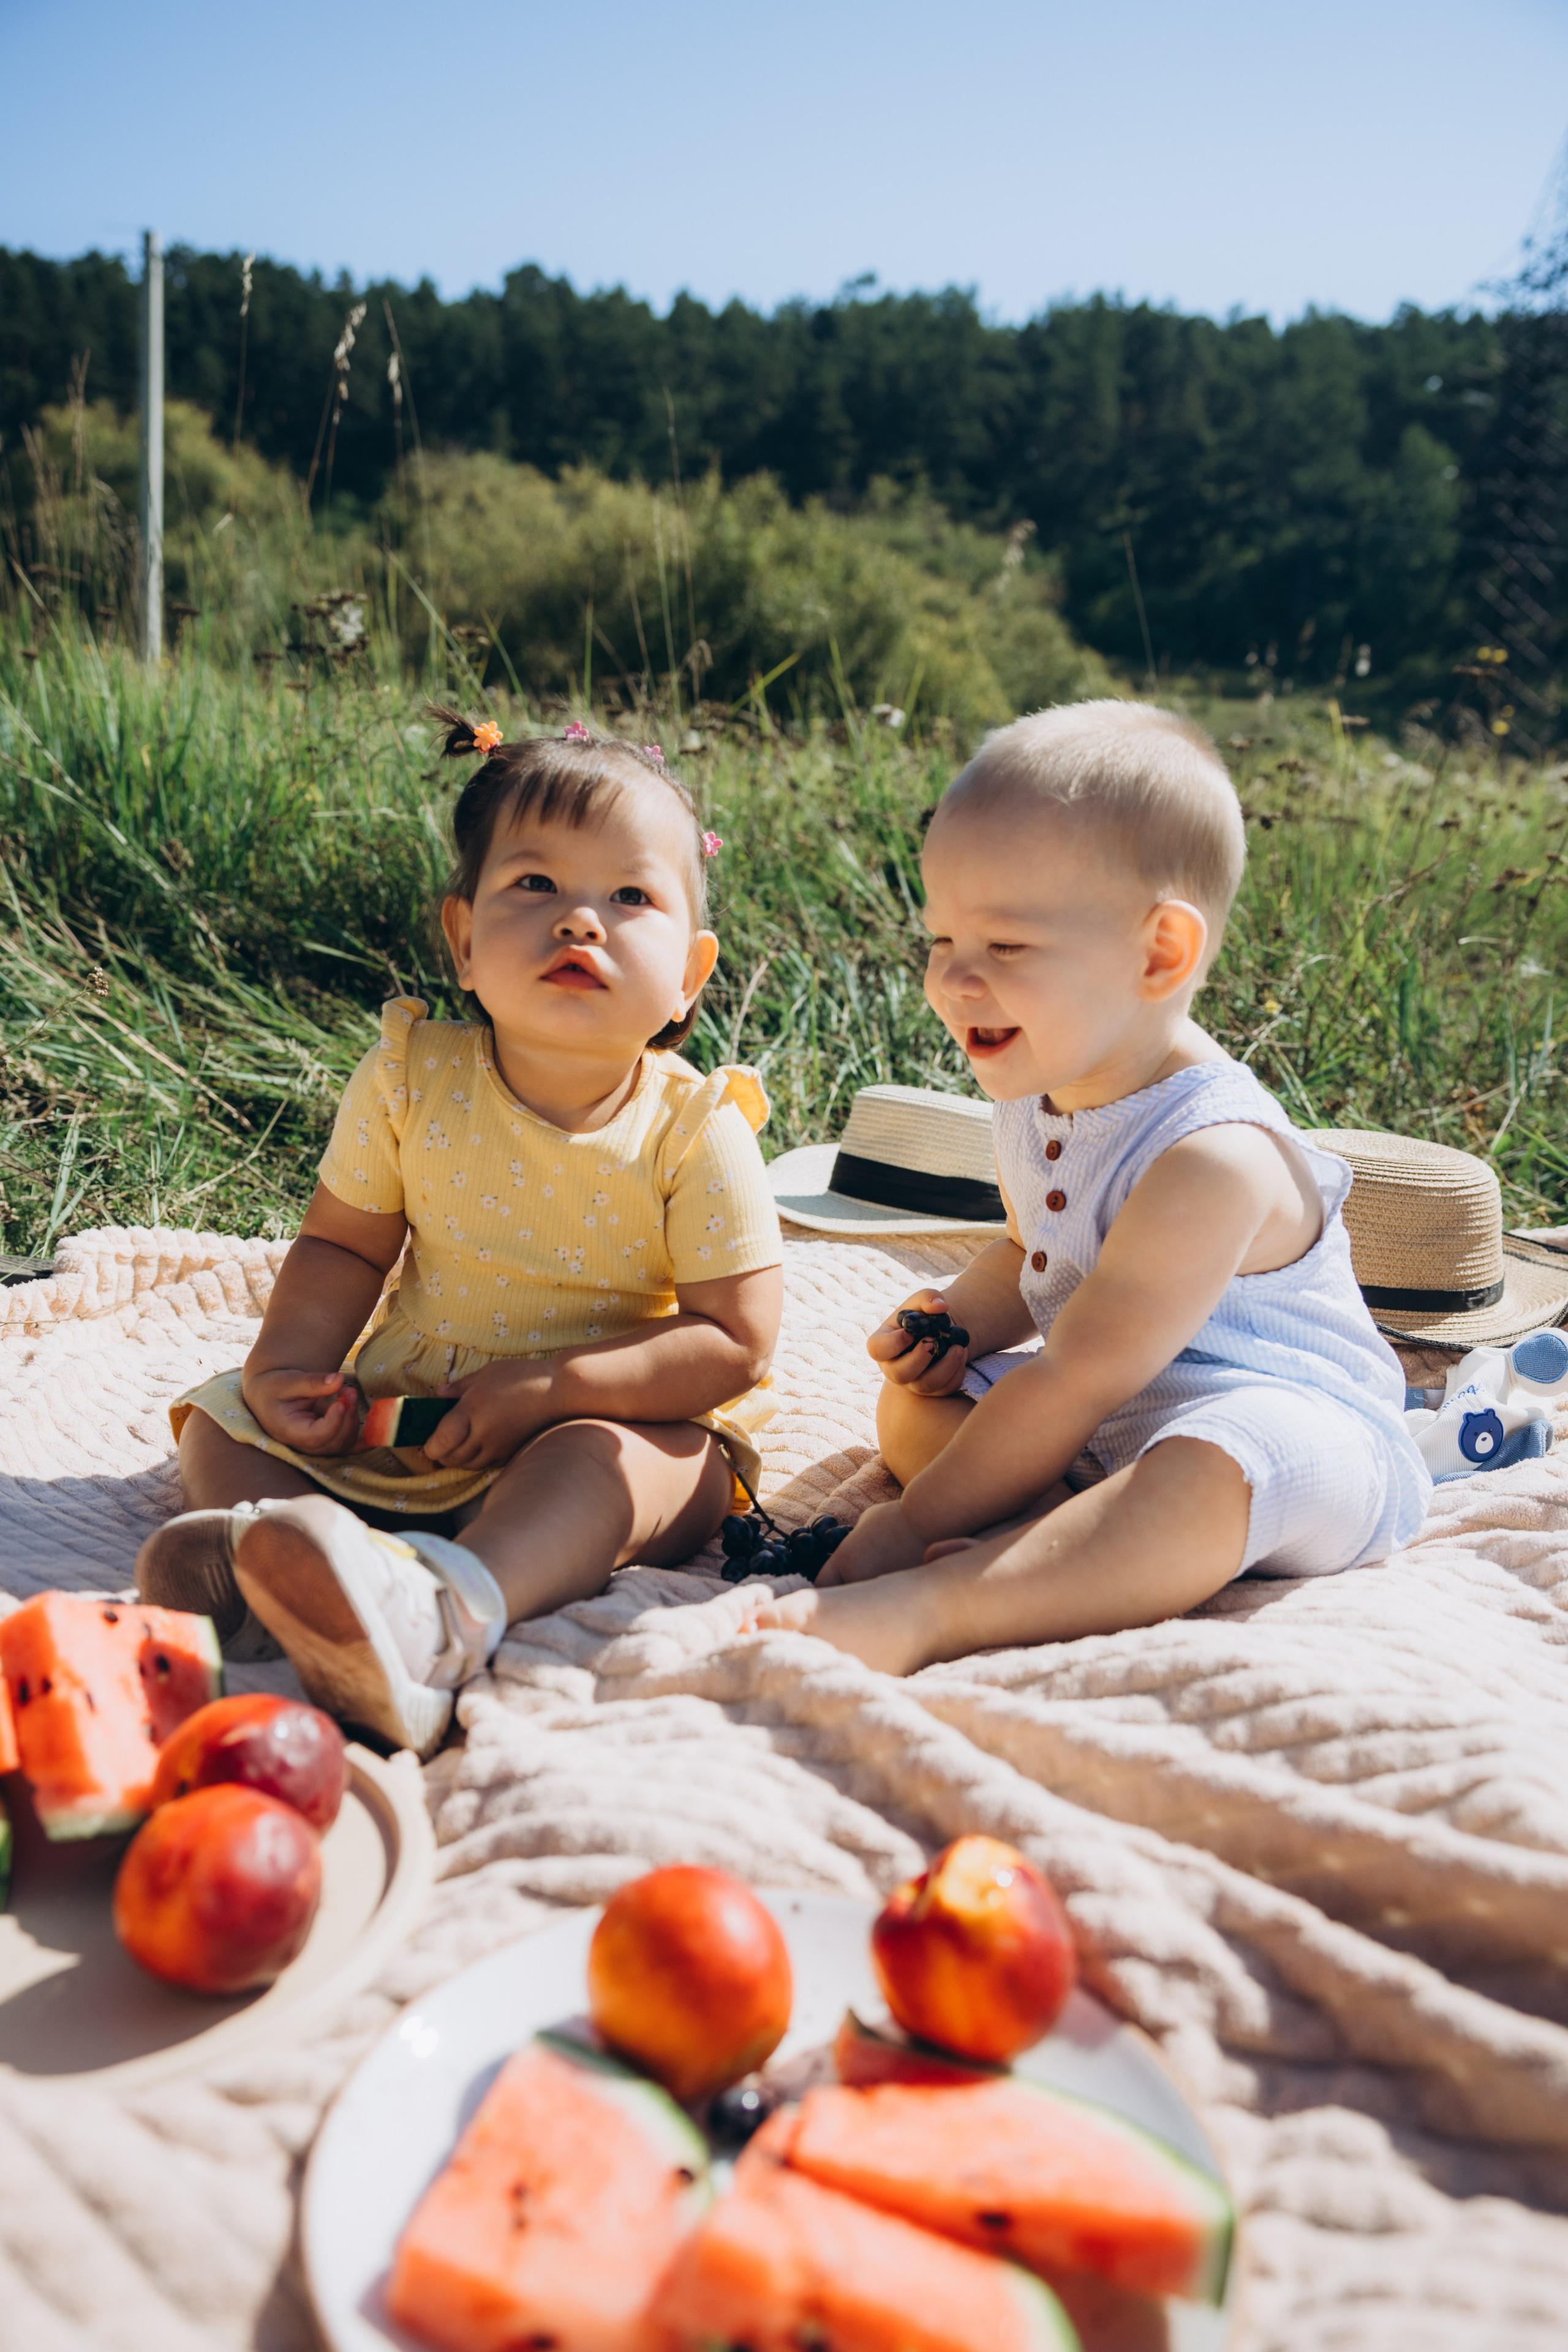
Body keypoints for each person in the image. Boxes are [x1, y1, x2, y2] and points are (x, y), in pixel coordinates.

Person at [137, 717, 783, 1755]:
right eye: (535, 886)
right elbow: (345, 1247)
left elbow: (734, 1343)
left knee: (622, 1468)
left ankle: (446, 1610)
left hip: (605, 1416)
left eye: (630, 897)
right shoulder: (408, 1079)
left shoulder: (693, 1131)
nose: (581, 922)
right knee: (220, 1418)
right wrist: (290, 1367)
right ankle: (285, 1567)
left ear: (691, 976)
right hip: (404, 1417)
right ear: (463, 939)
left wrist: (555, 1388)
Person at [752, 701, 1431, 1675]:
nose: (953, 980)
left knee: (1209, 1469)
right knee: (907, 1410)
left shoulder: (1212, 1156)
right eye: (941, 941)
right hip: (1104, 1425)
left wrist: (911, 1530)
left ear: (1159, 954)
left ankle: (950, 1605)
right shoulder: (1036, 1094)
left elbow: (1078, 1373)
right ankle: (1050, 1540)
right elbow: (1033, 1259)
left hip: (1285, 1435)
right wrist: (960, 1326)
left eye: (1007, 948)